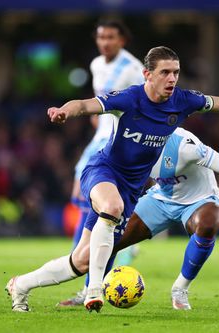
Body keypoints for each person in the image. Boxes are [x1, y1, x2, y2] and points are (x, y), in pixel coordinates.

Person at [7, 45, 219, 313]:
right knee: (110, 208)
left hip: (132, 189)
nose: (172, 78)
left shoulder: (183, 102)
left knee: (81, 260)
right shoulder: (130, 98)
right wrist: (64, 111)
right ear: (147, 74)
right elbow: (86, 105)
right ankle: (95, 290)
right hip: (104, 171)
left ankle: (20, 285)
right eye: (165, 72)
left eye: (176, 72)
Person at [56, 127, 219, 310]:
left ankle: (180, 288)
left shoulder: (185, 145)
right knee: (110, 240)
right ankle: (89, 291)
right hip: (160, 200)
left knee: (208, 224)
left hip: (199, 201)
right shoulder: (132, 146)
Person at [70, 19, 144, 253]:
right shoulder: (96, 65)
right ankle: (108, 247)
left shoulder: (133, 69)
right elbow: (100, 99)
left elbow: (145, 105)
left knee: (93, 198)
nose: (105, 42)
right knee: (80, 193)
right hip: (102, 133)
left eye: (111, 37)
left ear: (122, 40)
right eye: (101, 37)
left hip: (119, 138)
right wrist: (97, 116)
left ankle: (83, 256)